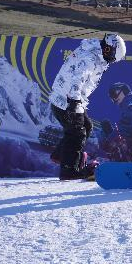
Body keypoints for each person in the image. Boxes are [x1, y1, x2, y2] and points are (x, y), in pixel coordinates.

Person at [48, 33, 126, 180]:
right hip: (66, 101)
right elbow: (76, 79)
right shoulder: (89, 58)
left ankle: (61, 155)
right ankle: (69, 171)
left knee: (86, 126)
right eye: (113, 57)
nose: (112, 61)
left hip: (70, 99)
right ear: (108, 49)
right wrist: (74, 104)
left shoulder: (97, 56)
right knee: (77, 133)